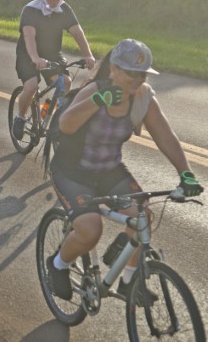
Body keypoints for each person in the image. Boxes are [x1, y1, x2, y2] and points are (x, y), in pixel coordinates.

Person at [47, 39, 204, 302]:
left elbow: (166, 137)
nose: (138, 79)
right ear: (114, 70)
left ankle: (130, 282)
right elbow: (66, 125)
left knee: (142, 215)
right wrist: (98, 99)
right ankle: (58, 265)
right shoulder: (95, 90)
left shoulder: (143, 98)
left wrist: (185, 173)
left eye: (143, 74)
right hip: (72, 171)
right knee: (90, 230)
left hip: (109, 170)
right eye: (132, 72)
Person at [12, 0, 96, 141]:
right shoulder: (31, 10)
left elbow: (77, 32)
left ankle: (52, 116)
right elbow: (29, 36)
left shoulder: (64, 9)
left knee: (65, 82)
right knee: (31, 87)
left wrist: (88, 55)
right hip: (28, 53)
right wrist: (35, 58)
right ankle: (20, 117)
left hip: (51, 53)